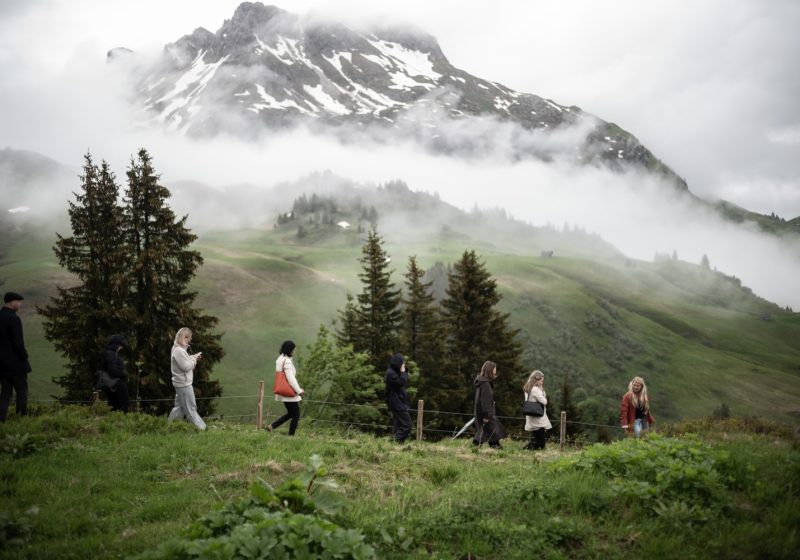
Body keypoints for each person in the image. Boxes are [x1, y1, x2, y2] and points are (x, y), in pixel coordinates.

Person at [0, 292, 31, 422]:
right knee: (22, 392)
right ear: (12, 302)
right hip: (16, 364)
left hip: (1, 364)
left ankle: (1, 420)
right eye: (18, 301)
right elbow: (18, 343)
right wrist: (24, 356)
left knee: (5, 393)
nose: (20, 304)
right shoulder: (14, 319)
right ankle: (21, 419)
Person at [167, 327, 206, 430]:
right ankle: (201, 428)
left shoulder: (177, 349)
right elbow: (186, 367)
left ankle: (171, 427)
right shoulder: (179, 350)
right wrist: (194, 359)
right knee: (191, 407)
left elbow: (183, 361)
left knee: (179, 408)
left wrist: (192, 357)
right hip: (184, 384)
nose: (190, 340)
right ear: (184, 337)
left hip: (180, 383)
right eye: (189, 337)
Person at [267, 340, 304, 435]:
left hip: (282, 390)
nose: (294, 351)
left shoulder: (280, 359)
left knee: (291, 413)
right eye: (293, 349)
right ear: (289, 350)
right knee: (296, 414)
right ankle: (291, 436)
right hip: (289, 391)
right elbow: (291, 379)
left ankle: (271, 427)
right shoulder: (287, 361)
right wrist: (299, 391)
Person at [473, 360, 506, 449]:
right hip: (485, 413)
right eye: (494, 369)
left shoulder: (481, 382)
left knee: (487, 431)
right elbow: (486, 401)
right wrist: (486, 415)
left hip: (480, 412)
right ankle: (494, 447)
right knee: (491, 431)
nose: (495, 371)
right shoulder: (486, 384)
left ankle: (479, 446)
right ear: (490, 370)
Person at [522, 370, 552, 450]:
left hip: (532, 416)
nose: (542, 383)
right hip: (537, 417)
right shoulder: (535, 390)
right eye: (541, 380)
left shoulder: (528, 388)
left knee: (537, 439)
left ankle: (527, 449)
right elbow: (544, 401)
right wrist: (542, 390)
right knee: (540, 442)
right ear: (536, 380)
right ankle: (526, 449)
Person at [385, 353, 411, 443]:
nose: (403, 365)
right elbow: (402, 382)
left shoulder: (394, 371)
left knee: (398, 424)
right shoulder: (391, 374)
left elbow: (403, 381)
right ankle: (395, 441)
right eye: (402, 363)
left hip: (397, 401)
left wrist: (403, 371)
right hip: (396, 402)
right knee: (407, 424)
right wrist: (403, 371)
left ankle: (397, 444)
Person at [101, 334, 129, 413]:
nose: (121, 348)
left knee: (115, 407)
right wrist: (124, 374)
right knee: (121, 407)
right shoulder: (110, 354)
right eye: (121, 346)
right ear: (116, 345)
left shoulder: (111, 354)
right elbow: (112, 370)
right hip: (116, 385)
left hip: (113, 385)